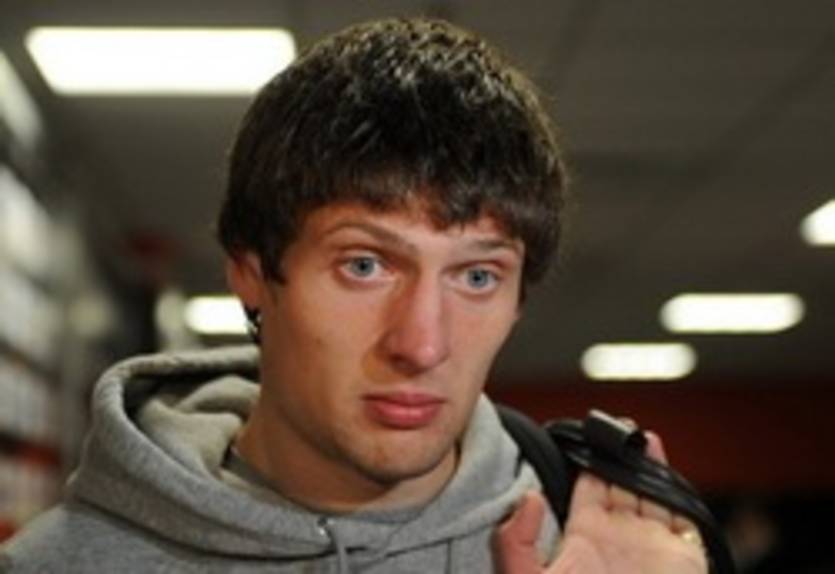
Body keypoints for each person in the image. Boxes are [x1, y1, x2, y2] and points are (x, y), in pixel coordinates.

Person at [0, 17, 707, 573]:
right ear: (250, 270)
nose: (422, 344)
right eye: (364, 266)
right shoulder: (53, 565)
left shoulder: (601, 548)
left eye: (477, 277)